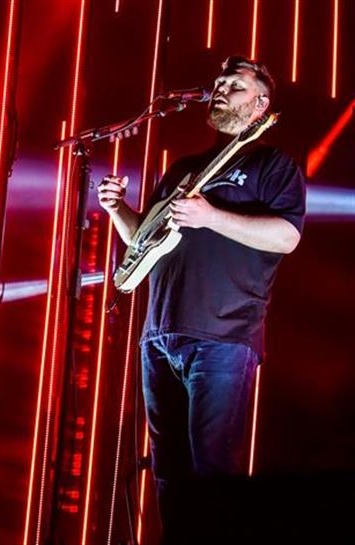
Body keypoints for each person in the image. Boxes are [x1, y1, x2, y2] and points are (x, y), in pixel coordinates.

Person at [98, 56, 305, 542]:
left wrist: (211, 217)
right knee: (168, 473)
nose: (221, 89)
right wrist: (118, 209)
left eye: (235, 85)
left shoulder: (271, 164)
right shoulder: (184, 169)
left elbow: (287, 237)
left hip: (223, 333)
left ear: (261, 104)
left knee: (213, 468)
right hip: (160, 334)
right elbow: (143, 242)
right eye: (219, 82)